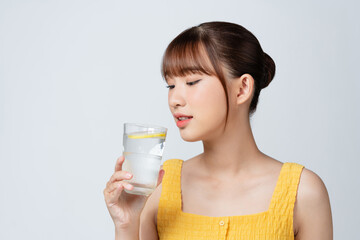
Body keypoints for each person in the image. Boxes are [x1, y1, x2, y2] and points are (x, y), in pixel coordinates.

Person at [103, 21, 333, 239]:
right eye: (171, 85)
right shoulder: (158, 188)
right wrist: (126, 224)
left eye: (192, 82)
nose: (174, 99)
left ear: (242, 88)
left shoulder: (303, 193)